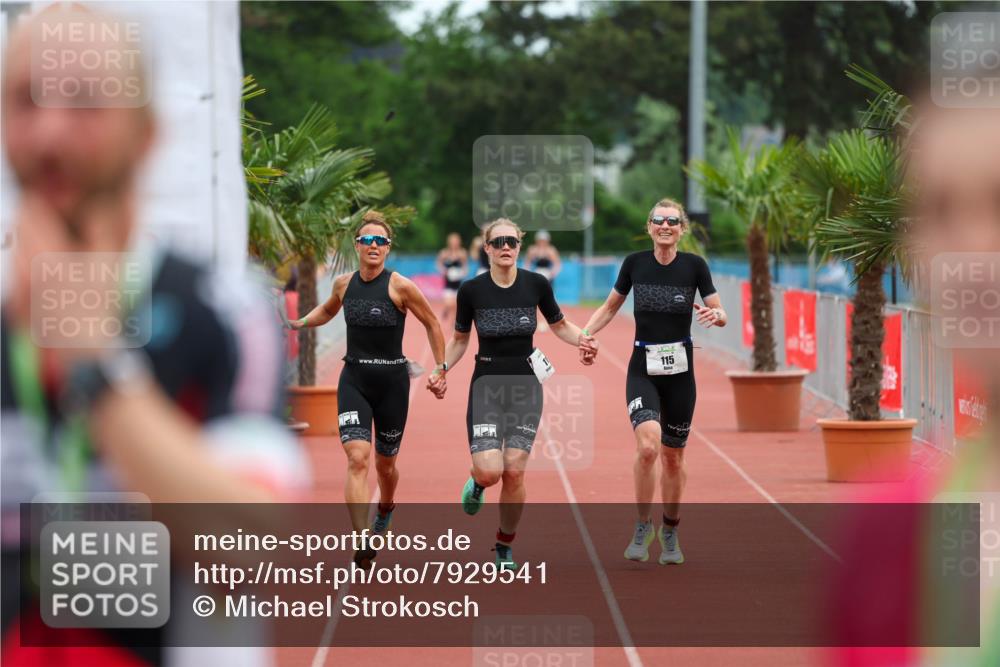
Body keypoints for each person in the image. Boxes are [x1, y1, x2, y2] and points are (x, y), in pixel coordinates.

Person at [1, 7, 309, 665]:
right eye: (25, 100)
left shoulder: (222, 309)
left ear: (146, 132)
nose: (50, 130)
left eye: (85, 100)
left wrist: (92, 359)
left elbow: (247, 550)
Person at [292, 211, 447, 566]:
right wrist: (298, 322)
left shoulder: (401, 286)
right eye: (367, 240)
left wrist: (440, 368)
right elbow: (328, 310)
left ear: (388, 248)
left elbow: (432, 323)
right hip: (355, 380)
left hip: (392, 384)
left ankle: (387, 506)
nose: (374, 246)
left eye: (381, 241)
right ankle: (362, 537)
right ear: (357, 245)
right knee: (357, 458)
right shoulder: (344, 284)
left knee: (385, 466)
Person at [440, 218, 593, 569]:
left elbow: (560, 326)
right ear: (487, 248)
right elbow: (460, 340)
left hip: (526, 388)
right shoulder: (471, 291)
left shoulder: (536, 284)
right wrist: (441, 368)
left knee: (514, 471)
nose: (506, 246)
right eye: (499, 242)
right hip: (487, 389)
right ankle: (478, 482)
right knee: (491, 471)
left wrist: (584, 339)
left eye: (512, 240)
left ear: (519, 246)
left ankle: (504, 545)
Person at [580, 198, 726, 565]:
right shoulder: (635, 264)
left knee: (674, 458)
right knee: (648, 447)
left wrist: (718, 314)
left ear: (682, 229)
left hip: (681, 374)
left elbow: (719, 310)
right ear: (649, 227)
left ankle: (671, 530)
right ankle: (642, 525)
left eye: (672, 221)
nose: (665, 225)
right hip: (642, 368)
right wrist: (586, 333)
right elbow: (611, 305)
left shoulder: (694, 266)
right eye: (658, 220)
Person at [525, 230, 562, 332]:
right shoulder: (533, 250)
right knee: (534, 300)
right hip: (536, 276)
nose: (542, 242)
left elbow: (557, 264)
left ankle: (549, 321)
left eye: (544, 240)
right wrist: (528, 274)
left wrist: (552, 274)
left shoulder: (551, 250)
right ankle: (534, 321)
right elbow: (527, 263)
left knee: (548, 300)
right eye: (540, 240)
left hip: (547, 276)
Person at [436, 232, 468, 323]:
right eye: (453, 241)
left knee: (456, 304)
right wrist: (443, 270)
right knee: (448, 304)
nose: (454, 243)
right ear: (449, 242)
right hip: (448, 283)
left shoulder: (462, 253)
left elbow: (465, 266)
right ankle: (446, 310)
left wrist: (462, 272)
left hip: (458, 282)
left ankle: (454, 322)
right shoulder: (444, 253)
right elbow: (439, 264)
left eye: (456, 241)